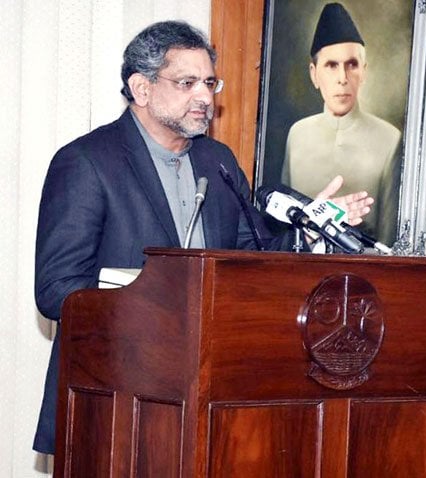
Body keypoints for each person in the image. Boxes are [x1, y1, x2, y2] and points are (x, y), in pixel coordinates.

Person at [33, 20, 373, 455]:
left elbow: (251, 258)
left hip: (209, 399)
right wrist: (149, 305)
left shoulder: (218, 160)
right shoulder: (87, 162)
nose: (204, 97)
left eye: (209, 82)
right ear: (141, 88)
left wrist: (311, 225)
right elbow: (56, 290)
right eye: (187, 82)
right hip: (116, 397)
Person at [282, 2, 402, 245]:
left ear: (364, 71)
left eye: (352, 65)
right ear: (314, 74)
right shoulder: (297, 135)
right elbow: (283, 227)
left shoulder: (389, 139)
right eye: (331, 65)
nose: (342, 79)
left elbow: (391, 240)